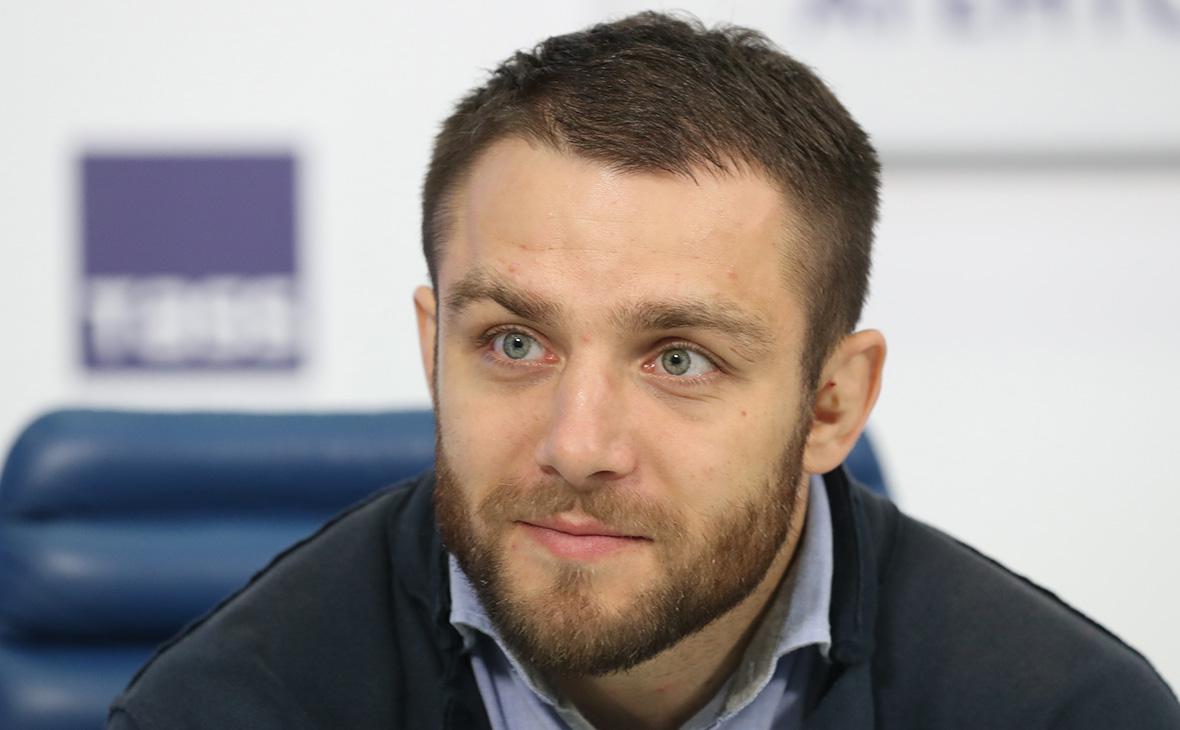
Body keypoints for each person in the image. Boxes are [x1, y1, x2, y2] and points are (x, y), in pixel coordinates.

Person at [108, 12, 1180, 730]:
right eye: (514, 343)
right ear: (434, 351)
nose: (578, 445)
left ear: (830, 403)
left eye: (679, 358)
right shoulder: (228, 709)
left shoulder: (1064, 713)